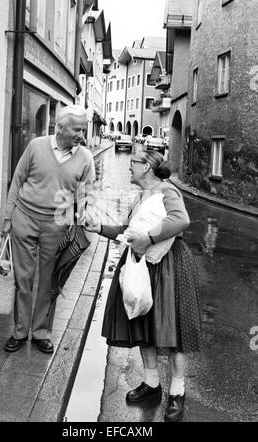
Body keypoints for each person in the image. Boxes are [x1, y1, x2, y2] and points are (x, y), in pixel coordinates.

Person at [83, 150, 202, 422]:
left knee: (172, 328)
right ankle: (151, 385)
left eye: (133, 163)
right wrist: (99, 226)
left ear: (146, 166)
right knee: (143, 322)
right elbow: (128, 232)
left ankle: (177, 392)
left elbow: (181, 220)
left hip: (169, 265)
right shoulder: (139, 196)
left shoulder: (167, 191)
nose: (129, 168)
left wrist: (148, 238)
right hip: (141, 266)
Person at [2, 105, 95, 354]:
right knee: (23, 279)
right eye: (77, 129)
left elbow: (85, 192)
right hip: (25, 218)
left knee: (49, 280)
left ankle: (41, 332)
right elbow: (17, 180)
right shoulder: (36, 146)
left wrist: (82, 216)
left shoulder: (85, 157)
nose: (81, 135)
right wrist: (8, 216)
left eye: (83, 130)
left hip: (58, 224)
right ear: (61, 126)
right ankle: (20, 331)